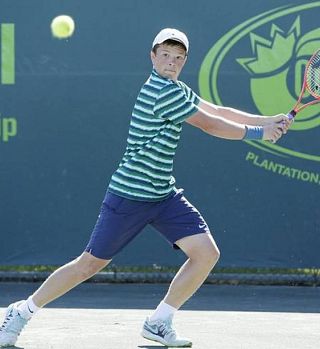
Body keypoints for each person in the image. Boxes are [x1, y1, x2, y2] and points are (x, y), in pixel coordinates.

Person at [0, 28, 290, 348]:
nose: (171, 61)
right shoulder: (161, 92)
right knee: (88, 265)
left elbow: (218, 111)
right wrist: (257, 134)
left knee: (206, 253)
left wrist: (266, 120)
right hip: (129, 195)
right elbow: (209, 124)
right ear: (152, 57)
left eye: (178, 57)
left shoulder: (177, 89)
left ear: (184, 62)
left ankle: (159, 321)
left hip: (163, 195)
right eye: (164, 55)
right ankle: (22, 311)